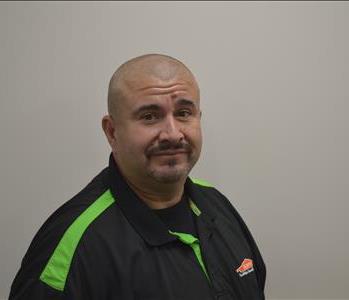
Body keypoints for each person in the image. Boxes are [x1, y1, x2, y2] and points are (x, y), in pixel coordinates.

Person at [9, 54, 266, 300]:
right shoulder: (73, 246)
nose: (173, 133)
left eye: (184, 113)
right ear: (112, 132)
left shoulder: (217, 205)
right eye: (150, 116)